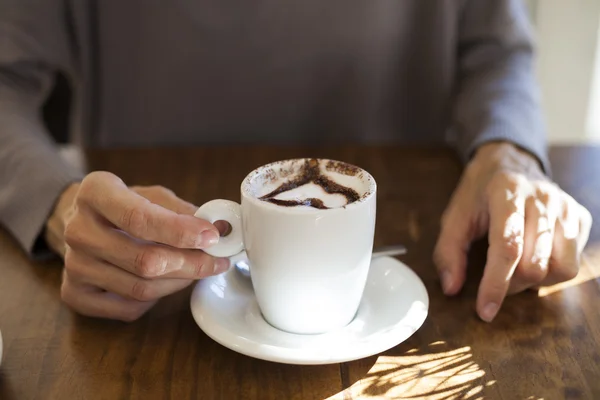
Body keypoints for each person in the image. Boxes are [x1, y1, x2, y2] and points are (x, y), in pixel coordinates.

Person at [0, 0, 592, 323]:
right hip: (148, 290)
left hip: (432, 253)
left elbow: (495, 51)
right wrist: (60, 204)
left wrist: (509, 152)